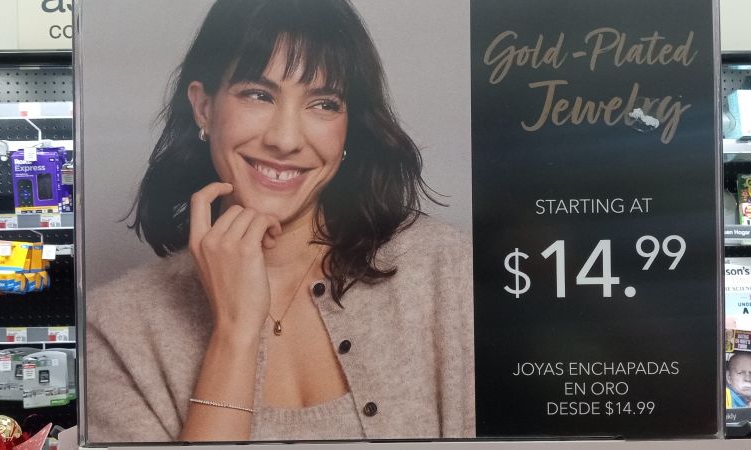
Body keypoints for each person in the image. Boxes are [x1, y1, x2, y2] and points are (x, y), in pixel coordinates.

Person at [85, 0, 474, 442]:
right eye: (258, 94)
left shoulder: (449, 272)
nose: (285, 140)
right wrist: (234, 333)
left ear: (349, 128)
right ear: (203, 108)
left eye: (324, 103)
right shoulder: (115, 330)